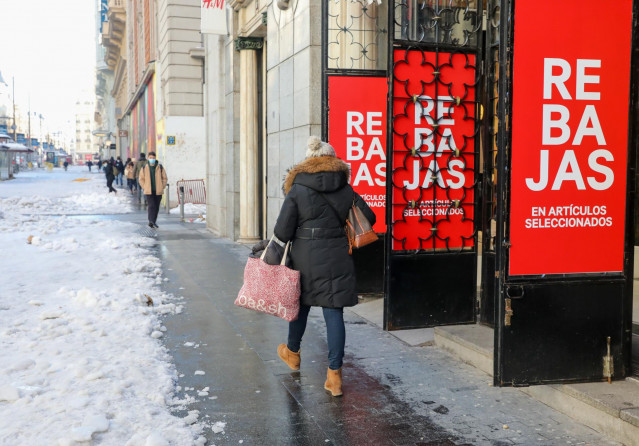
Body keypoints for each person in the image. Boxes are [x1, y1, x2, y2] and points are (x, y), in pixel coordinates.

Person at [273, 136, 375, 397]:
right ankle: (334, 378)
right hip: (338, 254)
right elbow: (370, 217)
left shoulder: (297, 188)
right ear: (333, 160)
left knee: (301, 305)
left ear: (309, 161)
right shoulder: (345, 187)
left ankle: (293, 354)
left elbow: (283, 230)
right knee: (333, 312)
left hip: (305, 255)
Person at [138, 152, 167, 229]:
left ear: (155, 158)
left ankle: (153, 221)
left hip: (158, 191)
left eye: (153, 158)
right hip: (149, 191)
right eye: (150, 158)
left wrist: (162, 186)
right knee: (151, 206)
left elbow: (164, 178)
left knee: (156, 207)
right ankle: (151, 221)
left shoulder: (160, 167)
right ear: (148, 158)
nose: (152, 159)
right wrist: (145, 187)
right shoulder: (144, 168)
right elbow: (141, 179)